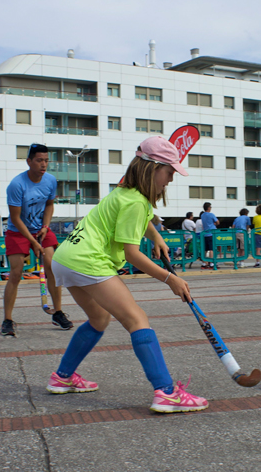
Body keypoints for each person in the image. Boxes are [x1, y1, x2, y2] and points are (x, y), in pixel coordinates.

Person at [46, 136, 208, 414]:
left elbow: (135, 220)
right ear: (153, 168)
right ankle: (166, 392)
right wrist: (171, 280)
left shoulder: (123, 193)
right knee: (136, 319)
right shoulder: (136, 202)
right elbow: (133, 255)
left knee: (99, 319)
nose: (170, 179)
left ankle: (62, 377)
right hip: (88, 260)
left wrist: (155, 235)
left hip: (65, 257)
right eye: (169, 172)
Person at [1, 143, 73, 337]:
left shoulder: (50, 181)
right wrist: (33, 242)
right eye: (39, 160)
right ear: (29, 161)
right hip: (18, 231)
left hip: (41, 229)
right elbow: (15, 218)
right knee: (16, 273)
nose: (44, 164)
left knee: (53, 267)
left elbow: (49, 205)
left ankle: (57, 313)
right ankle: (7, 319)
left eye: (46, 161)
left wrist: (46, 226)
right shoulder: (17, 185)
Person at [200, 202, 220, 269]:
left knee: (205, 249)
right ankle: (211, 263)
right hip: (211, 233)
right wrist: (214, 224)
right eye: (210, 207)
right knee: (212, 249)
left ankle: (204, 263)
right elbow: (217, 222)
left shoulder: (202, 215)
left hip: (205, 233)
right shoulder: (211, 215)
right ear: (208, 208)